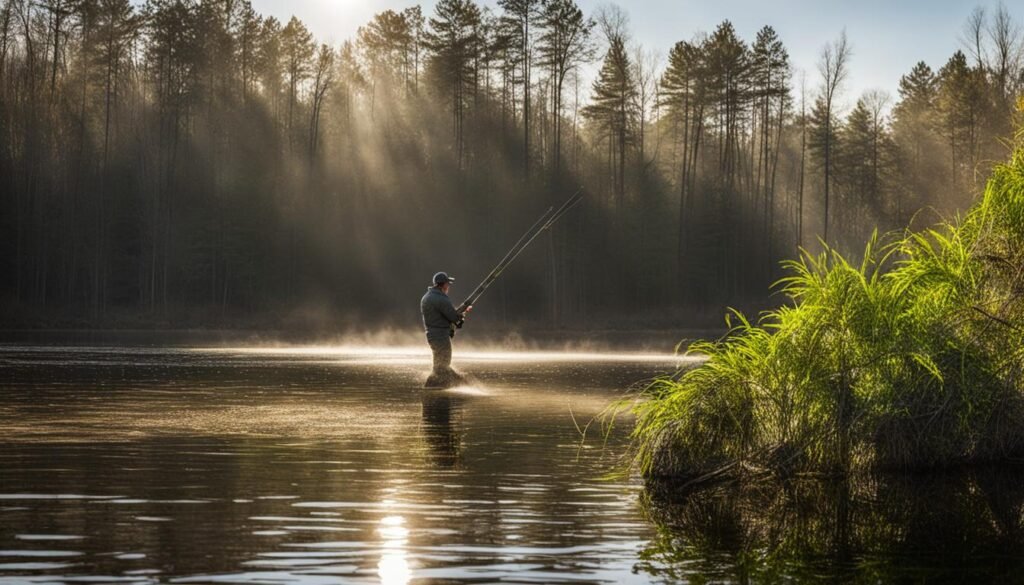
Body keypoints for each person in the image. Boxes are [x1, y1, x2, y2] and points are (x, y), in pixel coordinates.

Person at [420, 272, 472, 377]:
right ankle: (452, 384)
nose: (448, 286)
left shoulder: (426, 297)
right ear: (443, 284)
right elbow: (454, 318)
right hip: (441, 336)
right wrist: (463, 313)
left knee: (438, 366)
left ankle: (435, 387)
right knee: (443, 366)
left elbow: (442, 316)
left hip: (431, 335)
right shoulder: (442, 299)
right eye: (448, 284)